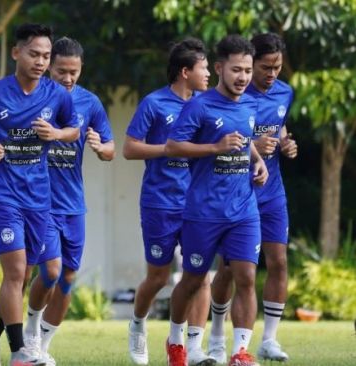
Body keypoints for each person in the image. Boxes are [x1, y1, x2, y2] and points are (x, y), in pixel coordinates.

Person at [0, 23, 79, 366]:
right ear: (17, 53)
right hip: (3, 195)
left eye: (46, 56)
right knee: (14, 273)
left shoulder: (57, 95)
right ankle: (20, 353)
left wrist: (56, 133)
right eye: (34, 54)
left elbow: (73, 130)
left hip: (39, 197)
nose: (41, 61)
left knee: (26, 275)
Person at [163, 34, 268, 366]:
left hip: (243, 209)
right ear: (220, 68)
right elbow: (173, 147)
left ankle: (240, 353)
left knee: (246, 277)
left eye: (248, 70)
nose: (243, 77)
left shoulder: (251, 104)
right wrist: (214, 148)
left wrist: (257, 161)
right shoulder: (199, 105)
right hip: (204, 211)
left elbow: (245, 138)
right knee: (194, 279)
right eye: (237, 69)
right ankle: (176, 342)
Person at [22, 36, 115, 366]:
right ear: (49, 67)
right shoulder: (34, 98)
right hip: (40, 201)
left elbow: (110, 150)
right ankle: (30, 333)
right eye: (61, 71)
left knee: (68, 278)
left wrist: (98, 147)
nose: (68, 78)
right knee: (50, 270)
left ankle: (44, 346)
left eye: (73, 72)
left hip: (73, 204)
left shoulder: (89, 103)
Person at [123, 37, 215, 366]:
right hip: (160, 202)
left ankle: (192, 348)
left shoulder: (209, 104)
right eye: (204, 68)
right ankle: (137, 325)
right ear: (185, 71)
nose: (209, 73)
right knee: (159, 278)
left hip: (199, 205)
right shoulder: (154, 104)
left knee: (201, 276)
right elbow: (130, 148)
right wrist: (169, 148)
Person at [206, 32, 297, 363]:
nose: (271, 74)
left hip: (272, 192)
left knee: (279, 261)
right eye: (265, 67)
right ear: (249, 63)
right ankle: (216, 336)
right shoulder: (235, 96)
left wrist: (286, 144)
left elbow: (280, 129)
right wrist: (251, 147)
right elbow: (219, 141)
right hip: (236, 192)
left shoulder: (285, 92)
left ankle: (269, 340)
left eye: (277, 67)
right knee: (230, 271)